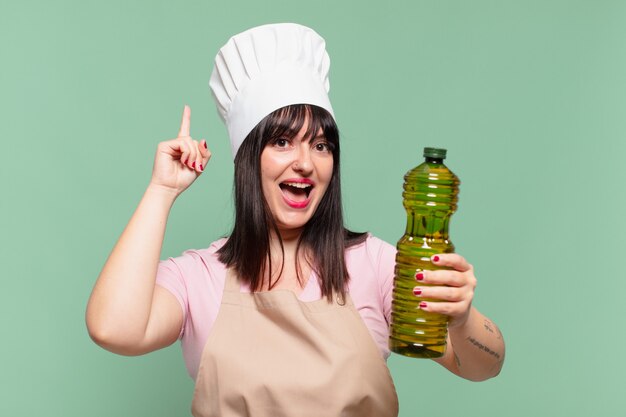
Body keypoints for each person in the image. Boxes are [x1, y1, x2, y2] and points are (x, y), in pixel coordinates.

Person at [86, 23, 505, 417]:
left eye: (321, 145)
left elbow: (483, 365)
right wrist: (162, 191)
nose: (305, 162)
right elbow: (113, 328)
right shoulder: (201, 277)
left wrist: (462, 316)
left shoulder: (373, 265)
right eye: (283, 141)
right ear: (248, 160)